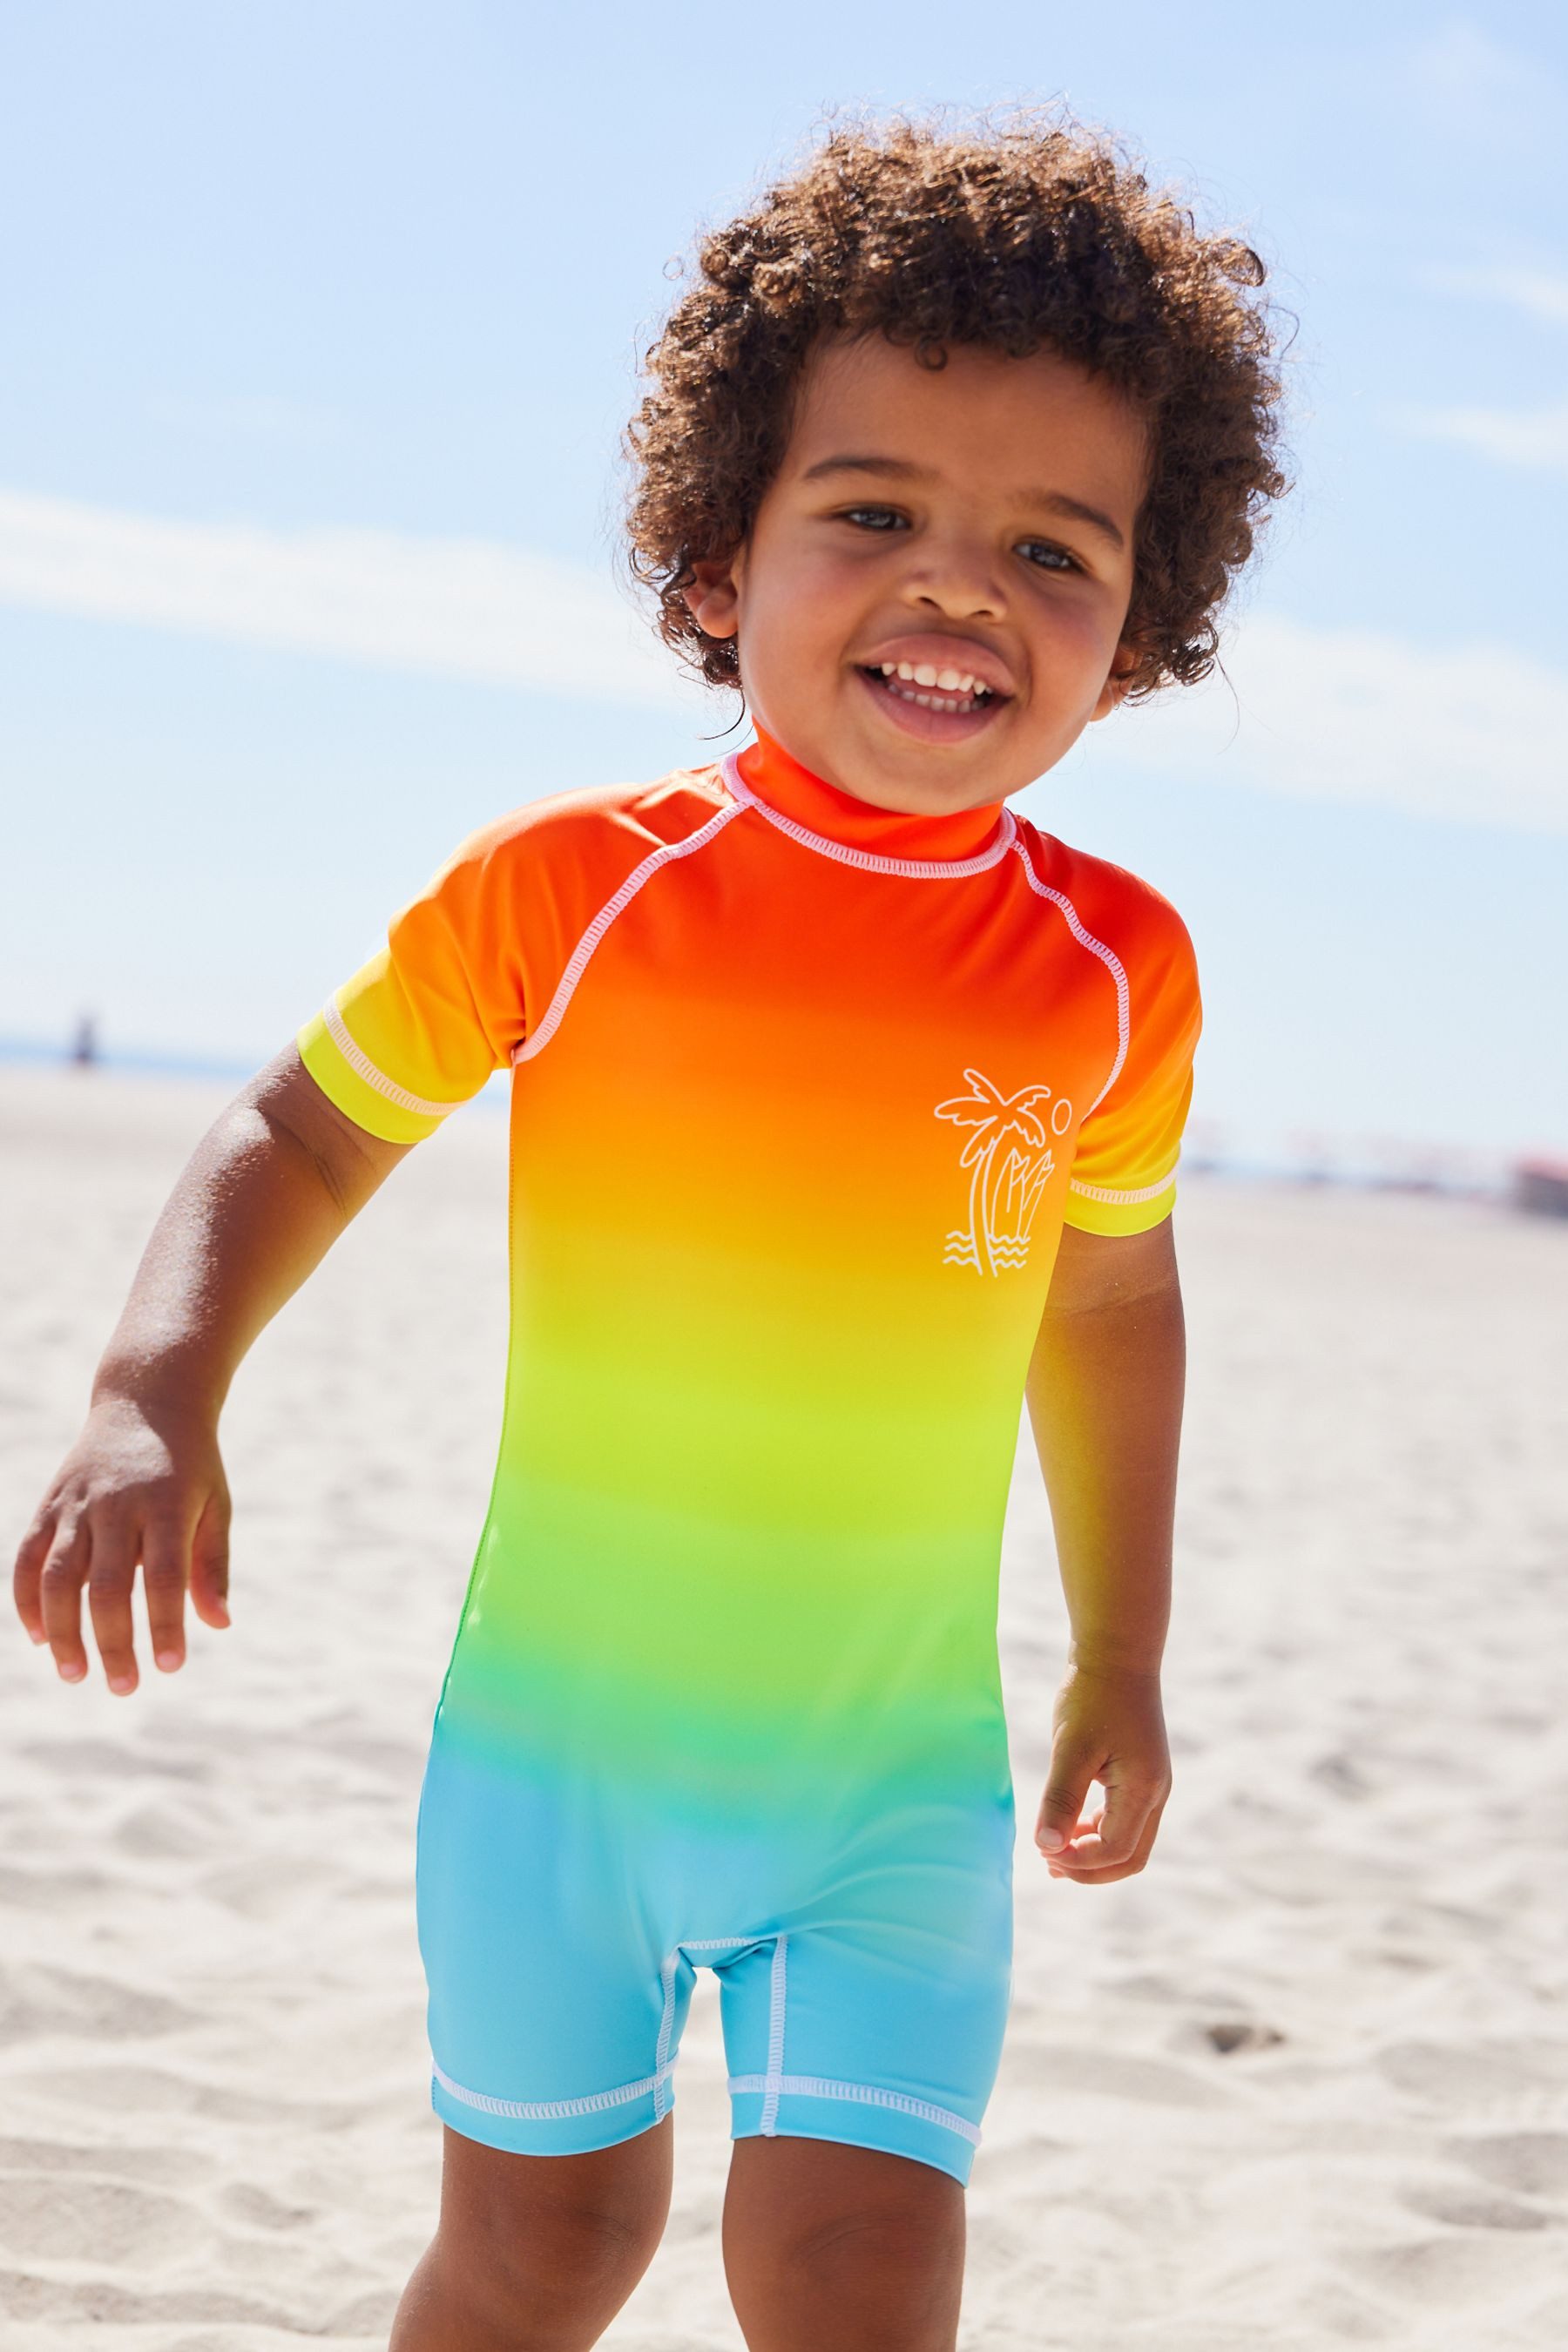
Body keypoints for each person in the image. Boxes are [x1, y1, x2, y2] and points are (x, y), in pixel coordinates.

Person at [12, 113, 1286, 2352]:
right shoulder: (577, 889)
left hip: (894, 1794)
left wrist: (1125, 1655)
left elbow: (1106, 1301)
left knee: (860, 2280)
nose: (960, 588)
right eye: (872, 513)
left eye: (1052, 549)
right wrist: (153, 1390)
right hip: (556, 1779)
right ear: (718, 558)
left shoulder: (1118, 972)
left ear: (1140, 627)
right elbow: (302, 1127)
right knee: (543, 2257)